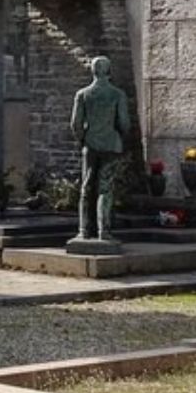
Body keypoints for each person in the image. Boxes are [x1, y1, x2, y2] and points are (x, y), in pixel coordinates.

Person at [70, 55, 131, 248]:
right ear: (108, 70)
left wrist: (83, 139)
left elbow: (75, 123)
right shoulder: (117, 94)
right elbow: (124, 123)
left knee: (86, 187)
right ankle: (104, 231)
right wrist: (118, 135)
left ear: (93, 71)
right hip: (111, 144)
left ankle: (83, 230)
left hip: (91, 144)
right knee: (105, 188)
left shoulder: (83, 94)